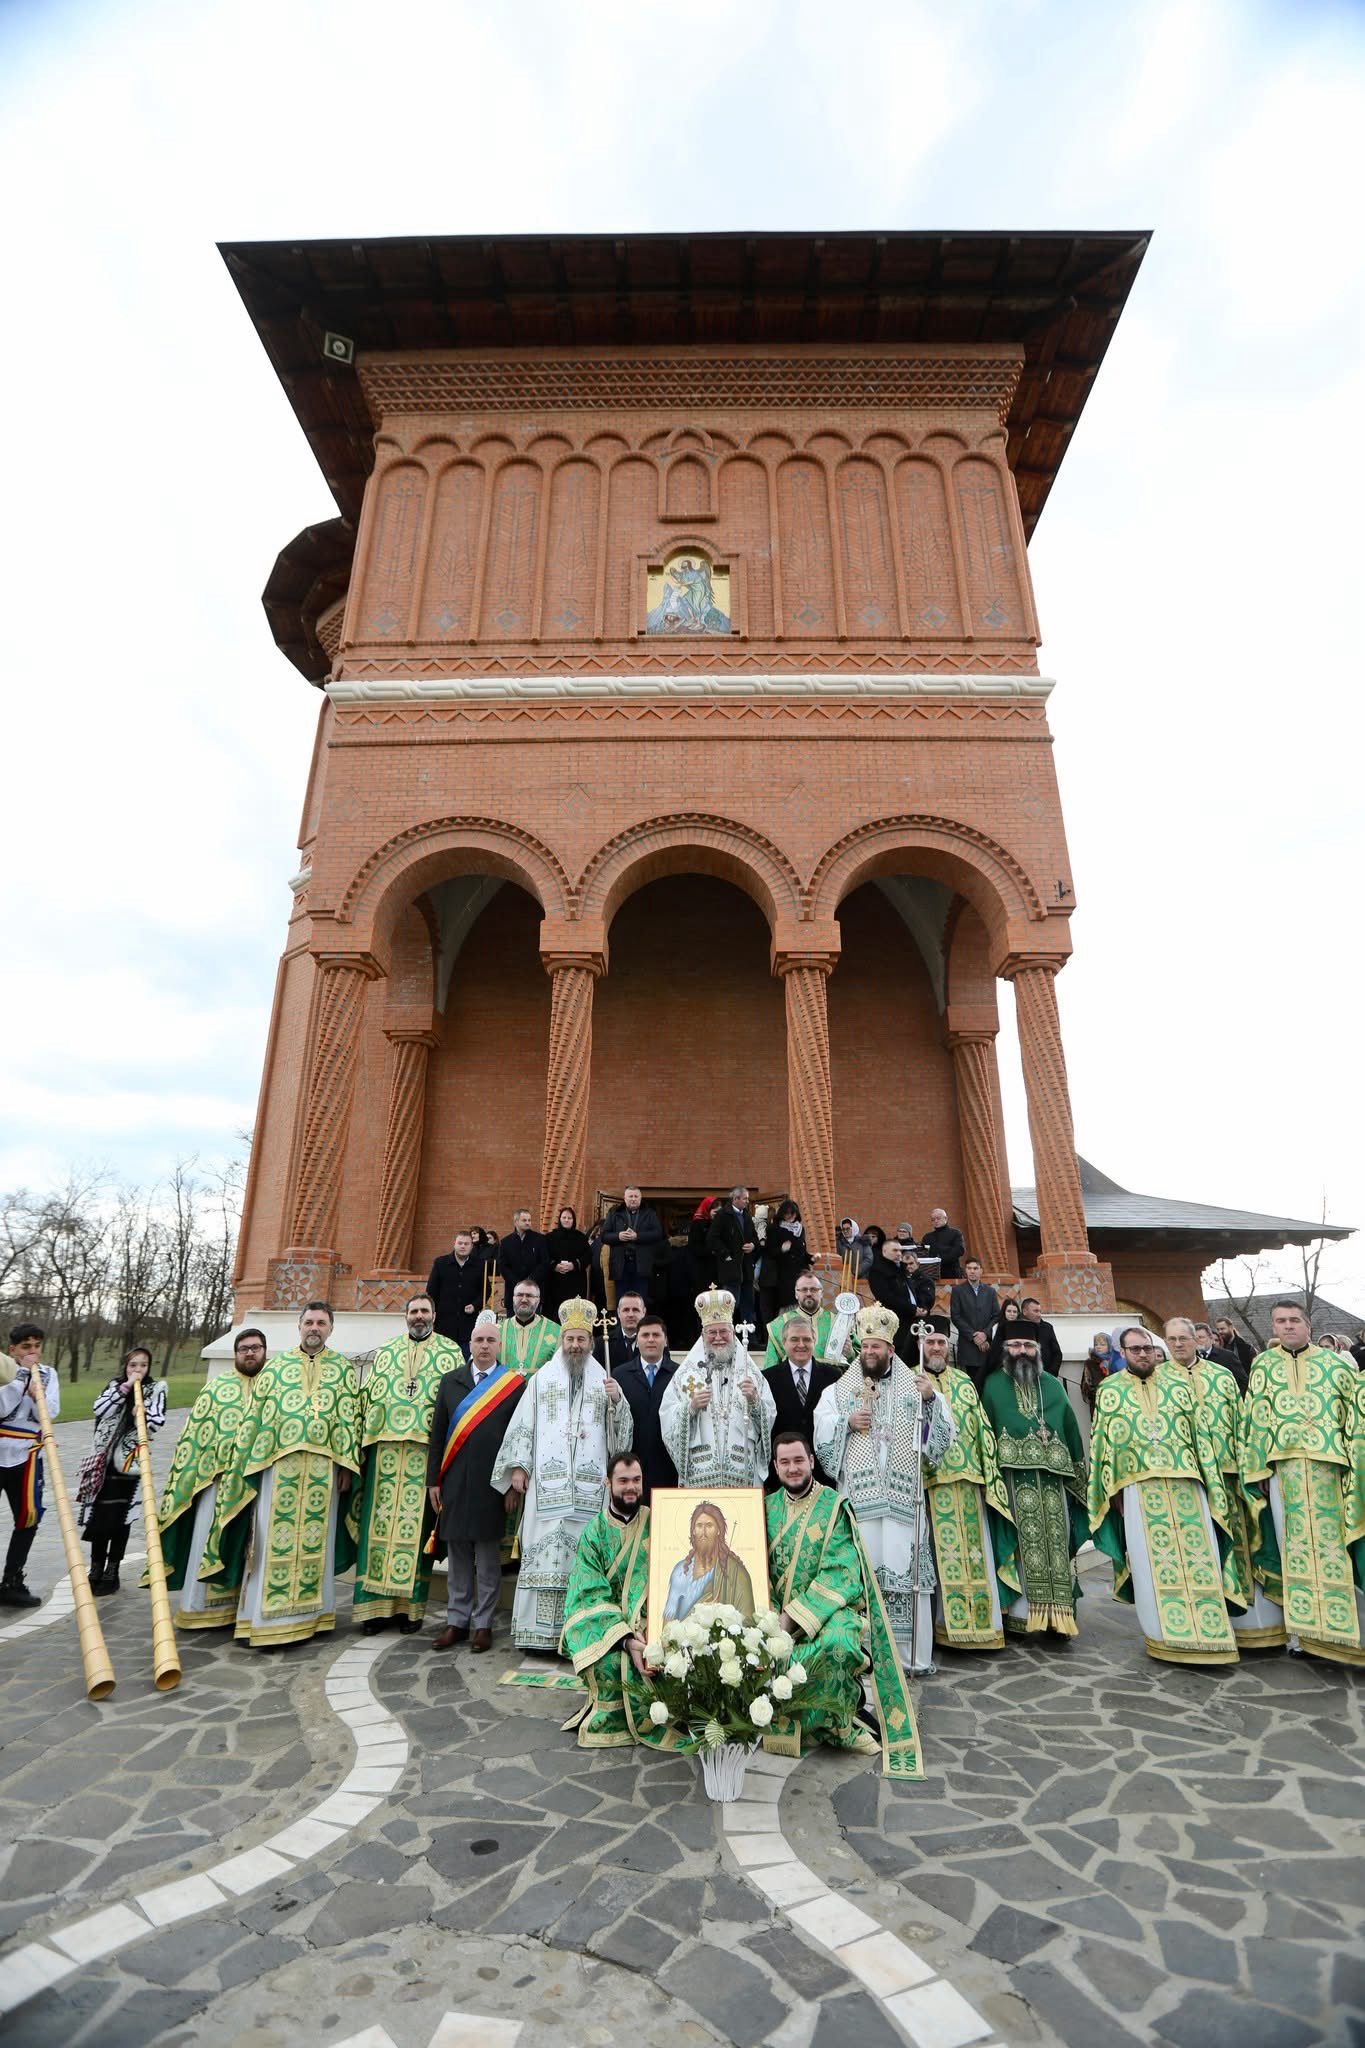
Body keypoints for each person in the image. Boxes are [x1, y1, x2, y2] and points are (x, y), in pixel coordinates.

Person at [199, 1302, 359, 1648]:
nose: (314, 1328)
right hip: (276, 1469)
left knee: (318, 1541)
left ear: (330, 1328)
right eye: (308, 1322)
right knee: (271, 1543)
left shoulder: (344, 1370)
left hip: (323, 1470)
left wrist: (347, 1465)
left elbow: (349, 1420)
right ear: (299, 1327)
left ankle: (313, 1618)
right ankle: (263, 1620)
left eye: (321, 1322)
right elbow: (254, 1421)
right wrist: (246, 1466)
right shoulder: (276, 1369)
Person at [766, 1431, 925, 1777]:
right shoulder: (764, 1508)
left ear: (811, 1461)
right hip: (774, 1610)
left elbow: (842, 1572)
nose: (793, 1468)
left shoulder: (834, 1507)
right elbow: (753, 1567)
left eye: (798, 1460)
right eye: (785, 1462)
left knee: (838, 1642)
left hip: (827, 1610)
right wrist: (773, 1613)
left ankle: (840, 1726)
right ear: (775, 1467)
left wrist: (792, 1618)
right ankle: (789, 1724)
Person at [813, 1303, 957, 1671]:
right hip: (860, 1503)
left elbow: (940, 1439)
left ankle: (911, 1658)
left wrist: (929, 1401)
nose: (869, 1353)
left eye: (876, 1347)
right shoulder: (840, 1389)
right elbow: (822, 1433)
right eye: (864, 1347)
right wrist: (846, 1422)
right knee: (865, 1577)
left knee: (905, 1573)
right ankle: (865, 1657)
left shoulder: (917, 1385)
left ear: (891, 1350)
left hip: (903, 1502)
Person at [1088, 1325, 1240, 1665]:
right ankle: (1162, 1636)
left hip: (1187, 1484)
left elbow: (1200, 1436)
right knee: (1151, 1565)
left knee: (1201, 1561)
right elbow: (1103, 1445)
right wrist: (1111, 1490)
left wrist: (1210, 1481)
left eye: (1146, 1348)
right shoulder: (1110, 1390)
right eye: (1134, 1349)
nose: (1142, 1354)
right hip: (1139, 1489)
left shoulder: (1179, 1384)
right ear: (1122, 1353)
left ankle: (1210, 1634)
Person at [491, 1297, 633, 1653]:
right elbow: (525, 1423)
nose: (575, 1345)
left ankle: (578, 1637)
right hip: (547, 1490)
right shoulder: (542, 1380)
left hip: (589, 1491)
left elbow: (622, 1439)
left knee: (583, 1566)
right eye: (570, 1339)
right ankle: (537, 1636)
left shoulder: (606, 1380)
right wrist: (520, 1467)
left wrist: (618, 1404)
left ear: (590, 1342)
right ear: (561, 1341)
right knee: (544, 1560)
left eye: (581, 1340)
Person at [1240, 1300, 1365, 1666]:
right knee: (1292, 1549)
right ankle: (1305, 1637)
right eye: (1281, 1321)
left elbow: (1351, 1419)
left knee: (1335, 1550)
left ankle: (1348, 1633)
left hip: (1330, 1469)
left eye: (1295, 1320)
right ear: (1273, 1328)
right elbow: (1255, 1419)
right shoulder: (1262, 1365)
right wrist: (1257, 1468)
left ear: (1308, 1325)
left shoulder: (1336, 1365)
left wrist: (1351, 1467)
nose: (1288, 1326)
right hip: (1283, 1472)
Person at [1164, 1317, 1284, 1649]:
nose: (1178, 1344)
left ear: (1196, 1340)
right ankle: (1204, 1625)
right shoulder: (1157, 1382)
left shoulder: (1222, 1377)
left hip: (1229, 1477)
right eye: (1171, 1339)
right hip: (1189, 1484)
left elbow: (1242, 1425)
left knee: (1238, 1547)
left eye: (1184, 1338)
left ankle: (1246, 1623)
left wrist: (1252, 1469)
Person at [350, 1294, 462, 1635]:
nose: (418, 1317)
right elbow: (367, 1398)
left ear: (434, 1315)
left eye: (424, 1311)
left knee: (415, 1538)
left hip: (423, 1456)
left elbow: (455, 1407)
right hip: (385, 1455)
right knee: (377, 1530)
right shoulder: (386, 1352)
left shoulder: (450, 1352)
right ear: (406, 1316)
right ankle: (372, 1611)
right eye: (413, 1311)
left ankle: (410, 1611)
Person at [154, 1327, 267, 1630]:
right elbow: (193, 1439)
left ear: (265, 1352)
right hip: (215, 1483)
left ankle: (243, 1610)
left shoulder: (274, 1389)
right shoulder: (216, 1389)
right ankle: (200, 1609)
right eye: (244, 1348)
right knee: (208, 1536)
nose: (250, 1353)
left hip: (256, 1483)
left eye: (256, 1348)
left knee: (254, 1546)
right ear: (235, 1354)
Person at [427, 1310, 525, 1652]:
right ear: (470, 1344)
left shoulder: (513, 1385)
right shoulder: (450, 1381)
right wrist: (432, 1481)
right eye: (479, 1340)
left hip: (492, 1484)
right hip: (453, 1481)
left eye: (490, 1341)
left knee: (486, 1558)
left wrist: (514, 1483)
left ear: (500, 1345)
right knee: (457, 1556)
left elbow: (520, 1436)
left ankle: (482, 1625)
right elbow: (437, 1434)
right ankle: (456, 1621)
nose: (484, 1346)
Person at [980, 1333, 1088, 1638]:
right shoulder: (992, 1385)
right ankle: (1021, 1615)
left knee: (1058, 1544)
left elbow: (1071, 1427)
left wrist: (1079, 1475)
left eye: (1029, 1345)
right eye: (1016, 1345)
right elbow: (985, 1431)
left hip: (1054, 1484)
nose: (1022, 1351)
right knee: (1019, 1547)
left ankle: (1059, 1617)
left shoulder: (1053, 1385)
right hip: (1013, 1481)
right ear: (1005, 1350)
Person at [919, 1330, 1015, 1651]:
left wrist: (990, 1473)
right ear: (921, 1345)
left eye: (941, 1343)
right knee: (938, 1557)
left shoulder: (963, 1381)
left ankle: (983, 1626)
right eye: (930, 1342)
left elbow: (982, 1427)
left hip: (970, 1479)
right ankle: (944, 1627)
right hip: (931, 1481)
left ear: (949, 1348)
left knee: (976, 1554)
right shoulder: (910, 1379)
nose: (936, 1347)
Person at [560, 1451, 654, 1747]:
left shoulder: (657, 1521)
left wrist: (652, 1628)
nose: (631, 1487)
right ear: (607, 1483)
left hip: (651, 1622)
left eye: (636, 1480)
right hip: (610, 1628)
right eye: (623, 1480)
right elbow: (588, 1593)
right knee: (608, 1663)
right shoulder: (593, 1533)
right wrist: (626, 1638)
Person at [660, 1288, 776, 1488]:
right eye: (712, 1332)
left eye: (723, 1331)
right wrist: (690, 1407)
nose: (718, 1337)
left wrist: (755, 1401)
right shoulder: (686, 1374)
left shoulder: (751, 1373)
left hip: (741, 1472)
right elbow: (667, 1417)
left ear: (733, 1332)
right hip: (701, 1474)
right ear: (703, 1335)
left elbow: (769, 1416)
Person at [76, 1347, 168, 1594]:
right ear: (125, 1366)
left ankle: (112, 1571)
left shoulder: (156, 1389)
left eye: (143, 1365)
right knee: (99, 1516)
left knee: (121, 1518)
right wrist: (125, 1387)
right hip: (103, 1461)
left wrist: (143, 1415)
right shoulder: (114, 1385)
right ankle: (95, 1568)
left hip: (130, 1463)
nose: (138, 1370)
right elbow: (100, 1409)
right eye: (133, 1365)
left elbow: (158, 1422)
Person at [0, 1322, 60, 1607]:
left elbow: (50, 1413)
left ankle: (12, 1581)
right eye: (26, 1347)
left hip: (27, 1453)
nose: (32, 1352)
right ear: (13, 1349)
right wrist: (21, 1377)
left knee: (28, 1517)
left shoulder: (49, 1375)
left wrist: (38, 1396)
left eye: (37, 1346)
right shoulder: (4, 1372)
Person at [765, 1312, 842, 1488]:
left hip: (824, 1473)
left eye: (807, 1339)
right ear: (784, 1343)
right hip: (783, 1473)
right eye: (794, 1339)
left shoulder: (833, 1376)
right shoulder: (768, 1379)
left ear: (814, 1341)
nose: (801, 1345)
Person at [612, 1313, 677, 1499]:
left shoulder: (679, 1375)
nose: (650, 1340)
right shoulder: (620, 1375)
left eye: (656, 1335)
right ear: (637, 1341)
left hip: (668, 1466)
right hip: (632, 1468)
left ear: (665, 1341)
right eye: (645, 1335)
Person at [662, 1496, 757, 1621]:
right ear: (693, 1531)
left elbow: (749, 1622)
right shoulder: (679, 1571)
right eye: (699, 1526)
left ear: (719, 1530)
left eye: (709, 1525)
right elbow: (668, 1622)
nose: (704, 1532)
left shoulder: (736, 1573)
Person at [763, 1270, 859, 1372]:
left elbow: (863, 1360)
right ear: (796, 1294)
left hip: (830, 1382)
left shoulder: (840, 1322)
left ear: (821, 1293)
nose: (809, 1293)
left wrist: (850, 1353)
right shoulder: (779, 1324)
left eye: (813, 1289)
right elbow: (770, 1368)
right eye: (804, 1290)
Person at [867, 1240, 934, 1363]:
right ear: (884, 1251)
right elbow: (887, 1298)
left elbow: (911, 1292)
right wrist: (913, 1309)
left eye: (900, 1250)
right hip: (897, 1325)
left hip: (913, 1322)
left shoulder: (901, 1269)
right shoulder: (878, 1271)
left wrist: (921, 1308)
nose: (899, 1253)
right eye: (895, 1250)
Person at [601, 1187, 664, 1307]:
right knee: (622, 1301)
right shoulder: (614, 1213)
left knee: (640, 1301)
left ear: (640, 1199)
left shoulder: (649, 1213)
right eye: (630, 1196)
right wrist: (618, 1236)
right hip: (620, 1265)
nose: (633, 1199)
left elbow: (658, 1234)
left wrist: (638, 1236)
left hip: (641, 1265)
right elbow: (604, 1236)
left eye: (636, 1196)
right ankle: (622, 1326)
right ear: (625, 1199)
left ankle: (640, 1326)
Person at [757, 1199, 813, 1332]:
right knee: (778, 1308)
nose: (790, 1217)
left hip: (795, 1274)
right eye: (787, 1214)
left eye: (793, 1214)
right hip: (779, 1275)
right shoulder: (774, 1228)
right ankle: (776, 1335)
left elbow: (801, 1251)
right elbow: (769, 1251)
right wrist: (781, 1249)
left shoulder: (800, 1229)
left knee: (794, 1306)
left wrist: (811, 1258)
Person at [426, 1229, 484, 1356]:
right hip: (444, 1325)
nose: (463, 1246)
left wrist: (475, 1305)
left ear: (471, 1246)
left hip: (468, 1326)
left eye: (466, 1244)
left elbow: (485, 1290)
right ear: (454, 1244)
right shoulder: (440, 1263)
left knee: (465, 1364)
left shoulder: (479, 1265)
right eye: (460, 1243)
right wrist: (433, 1314)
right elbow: (431, 1291)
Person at [706, 1187, 759, 1324]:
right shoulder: (723, 1215)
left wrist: (753, 1245)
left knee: (748, 1304)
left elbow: (754, 1236)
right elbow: (712, 1238)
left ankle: (750, 1340)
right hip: (731, 1269)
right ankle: (727, 1336)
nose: (747, 1201)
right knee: (730, 1305)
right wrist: (726, 1254)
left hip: (746, 1267)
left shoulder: (746, 1215)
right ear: (735, 1199)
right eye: (745, 1198)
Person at [950, 1260, 1000, 1387]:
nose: (972, 1271)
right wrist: (973, 1336)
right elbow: (956, 1316)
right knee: (970, 1384)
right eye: (969, 1268)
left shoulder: (990, 1291)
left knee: (987, 1383)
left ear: (981, 1270)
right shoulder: (958, 1291)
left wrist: (985, 1334)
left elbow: (996, 1315)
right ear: (965, 1270)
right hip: (968, 1346)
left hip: (986, 1346)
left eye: (975, 1268)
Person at [497, 1279, 560, 1376]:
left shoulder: (556, 1332)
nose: (524, 1299)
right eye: (519, 1295)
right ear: (513, 1298)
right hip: (504, 1389)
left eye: (529, 1296)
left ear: (538, 1300)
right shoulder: (497, 1331)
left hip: (539, 1389)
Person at [543, 1206, 592, 1320]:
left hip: (575, 1281)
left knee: (573, 1314)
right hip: (554, 1282)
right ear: (559, 1219)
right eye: (564, 1217)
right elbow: (544, 1256)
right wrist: (554, 1266)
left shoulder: (581, 1238)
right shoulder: (549, 1238)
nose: (566, 1220)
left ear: (573, 1220)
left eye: (569, 1218)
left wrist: (574, 1265)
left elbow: (588, 1256)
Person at [498, 1209, 547, 1304]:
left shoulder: (539, 1239)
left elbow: (544, 1262)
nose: (528, 1223)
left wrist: (530, 1280)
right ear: (516, 1222)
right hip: (513, 1290)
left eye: (529, 1220)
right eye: (524, 1220)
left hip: (534, 1290)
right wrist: (517, 1283)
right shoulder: (506, 1242)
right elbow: (503, 1266)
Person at [1194, 1323, 1249, 1395]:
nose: (1197, 1341)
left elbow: (1242, 1382)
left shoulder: (1227, 1357)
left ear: (1211, 1339)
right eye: (1195, 1338)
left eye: (1201, 1337)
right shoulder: (1191, 1359)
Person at [1020, 1296, 1063, 1378]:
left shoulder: (1047, 1328)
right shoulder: (1015, 1328)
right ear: (1025, 1311)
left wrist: (1051, 1374)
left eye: (1040, 1311)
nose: (1039, 1315)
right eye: (1035, 1311)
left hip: (1046, 1376)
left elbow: (1057, 1353)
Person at [603, 1290, 646, 1371]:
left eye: (635, 1310)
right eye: (626, 1310)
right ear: (618, 1312)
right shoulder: (602, 1343)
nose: (630, 1315)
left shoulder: (655, 1341)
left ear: (644, 1312)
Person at [1081, 1330, 1122, 1413]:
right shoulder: (1090, 1363)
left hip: (1117, 1401)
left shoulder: (1116, 1361)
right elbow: (1086, 1384)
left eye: (1102, 1344)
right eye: (1096, 1344)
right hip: (1098, 1402)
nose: (1098, 1347)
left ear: (1109, 1346)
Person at [921, 1208, 966, 1280]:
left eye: (938, 1218)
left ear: (945, 1218)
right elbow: (924, 1254)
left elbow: (960, 1250)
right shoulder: (927, 1237)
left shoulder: (955, 1233)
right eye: (933, 1219)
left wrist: (940, 1260)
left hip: (952, 1273)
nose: (935, 1221)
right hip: (932, 1274)